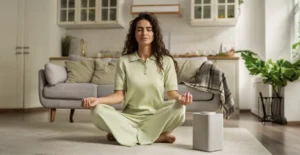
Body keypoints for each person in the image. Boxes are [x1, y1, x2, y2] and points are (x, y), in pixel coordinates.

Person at [82, 12, 193, 147]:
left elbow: (171, 94)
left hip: (156, 117)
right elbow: (119, 96)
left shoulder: (166, 61)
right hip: (129, 118)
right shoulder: (123, 61)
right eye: (139, 29)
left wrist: (180, 99)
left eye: (149, 29)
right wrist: (97, 100)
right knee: (97, 111)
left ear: (154, 33)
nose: (144, 33)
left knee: (180, 109)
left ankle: (122, 134)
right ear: (134, 34)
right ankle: (155, 137)